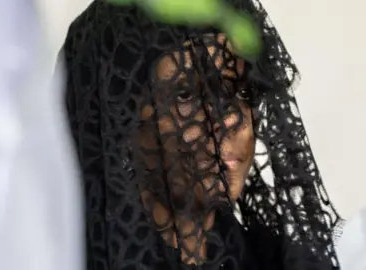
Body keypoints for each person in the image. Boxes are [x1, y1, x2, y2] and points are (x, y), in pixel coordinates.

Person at [62, 0, 342, 269]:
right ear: (121, 117)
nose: (231, 118)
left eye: (243, 92)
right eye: (186, 94)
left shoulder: (288, 263)